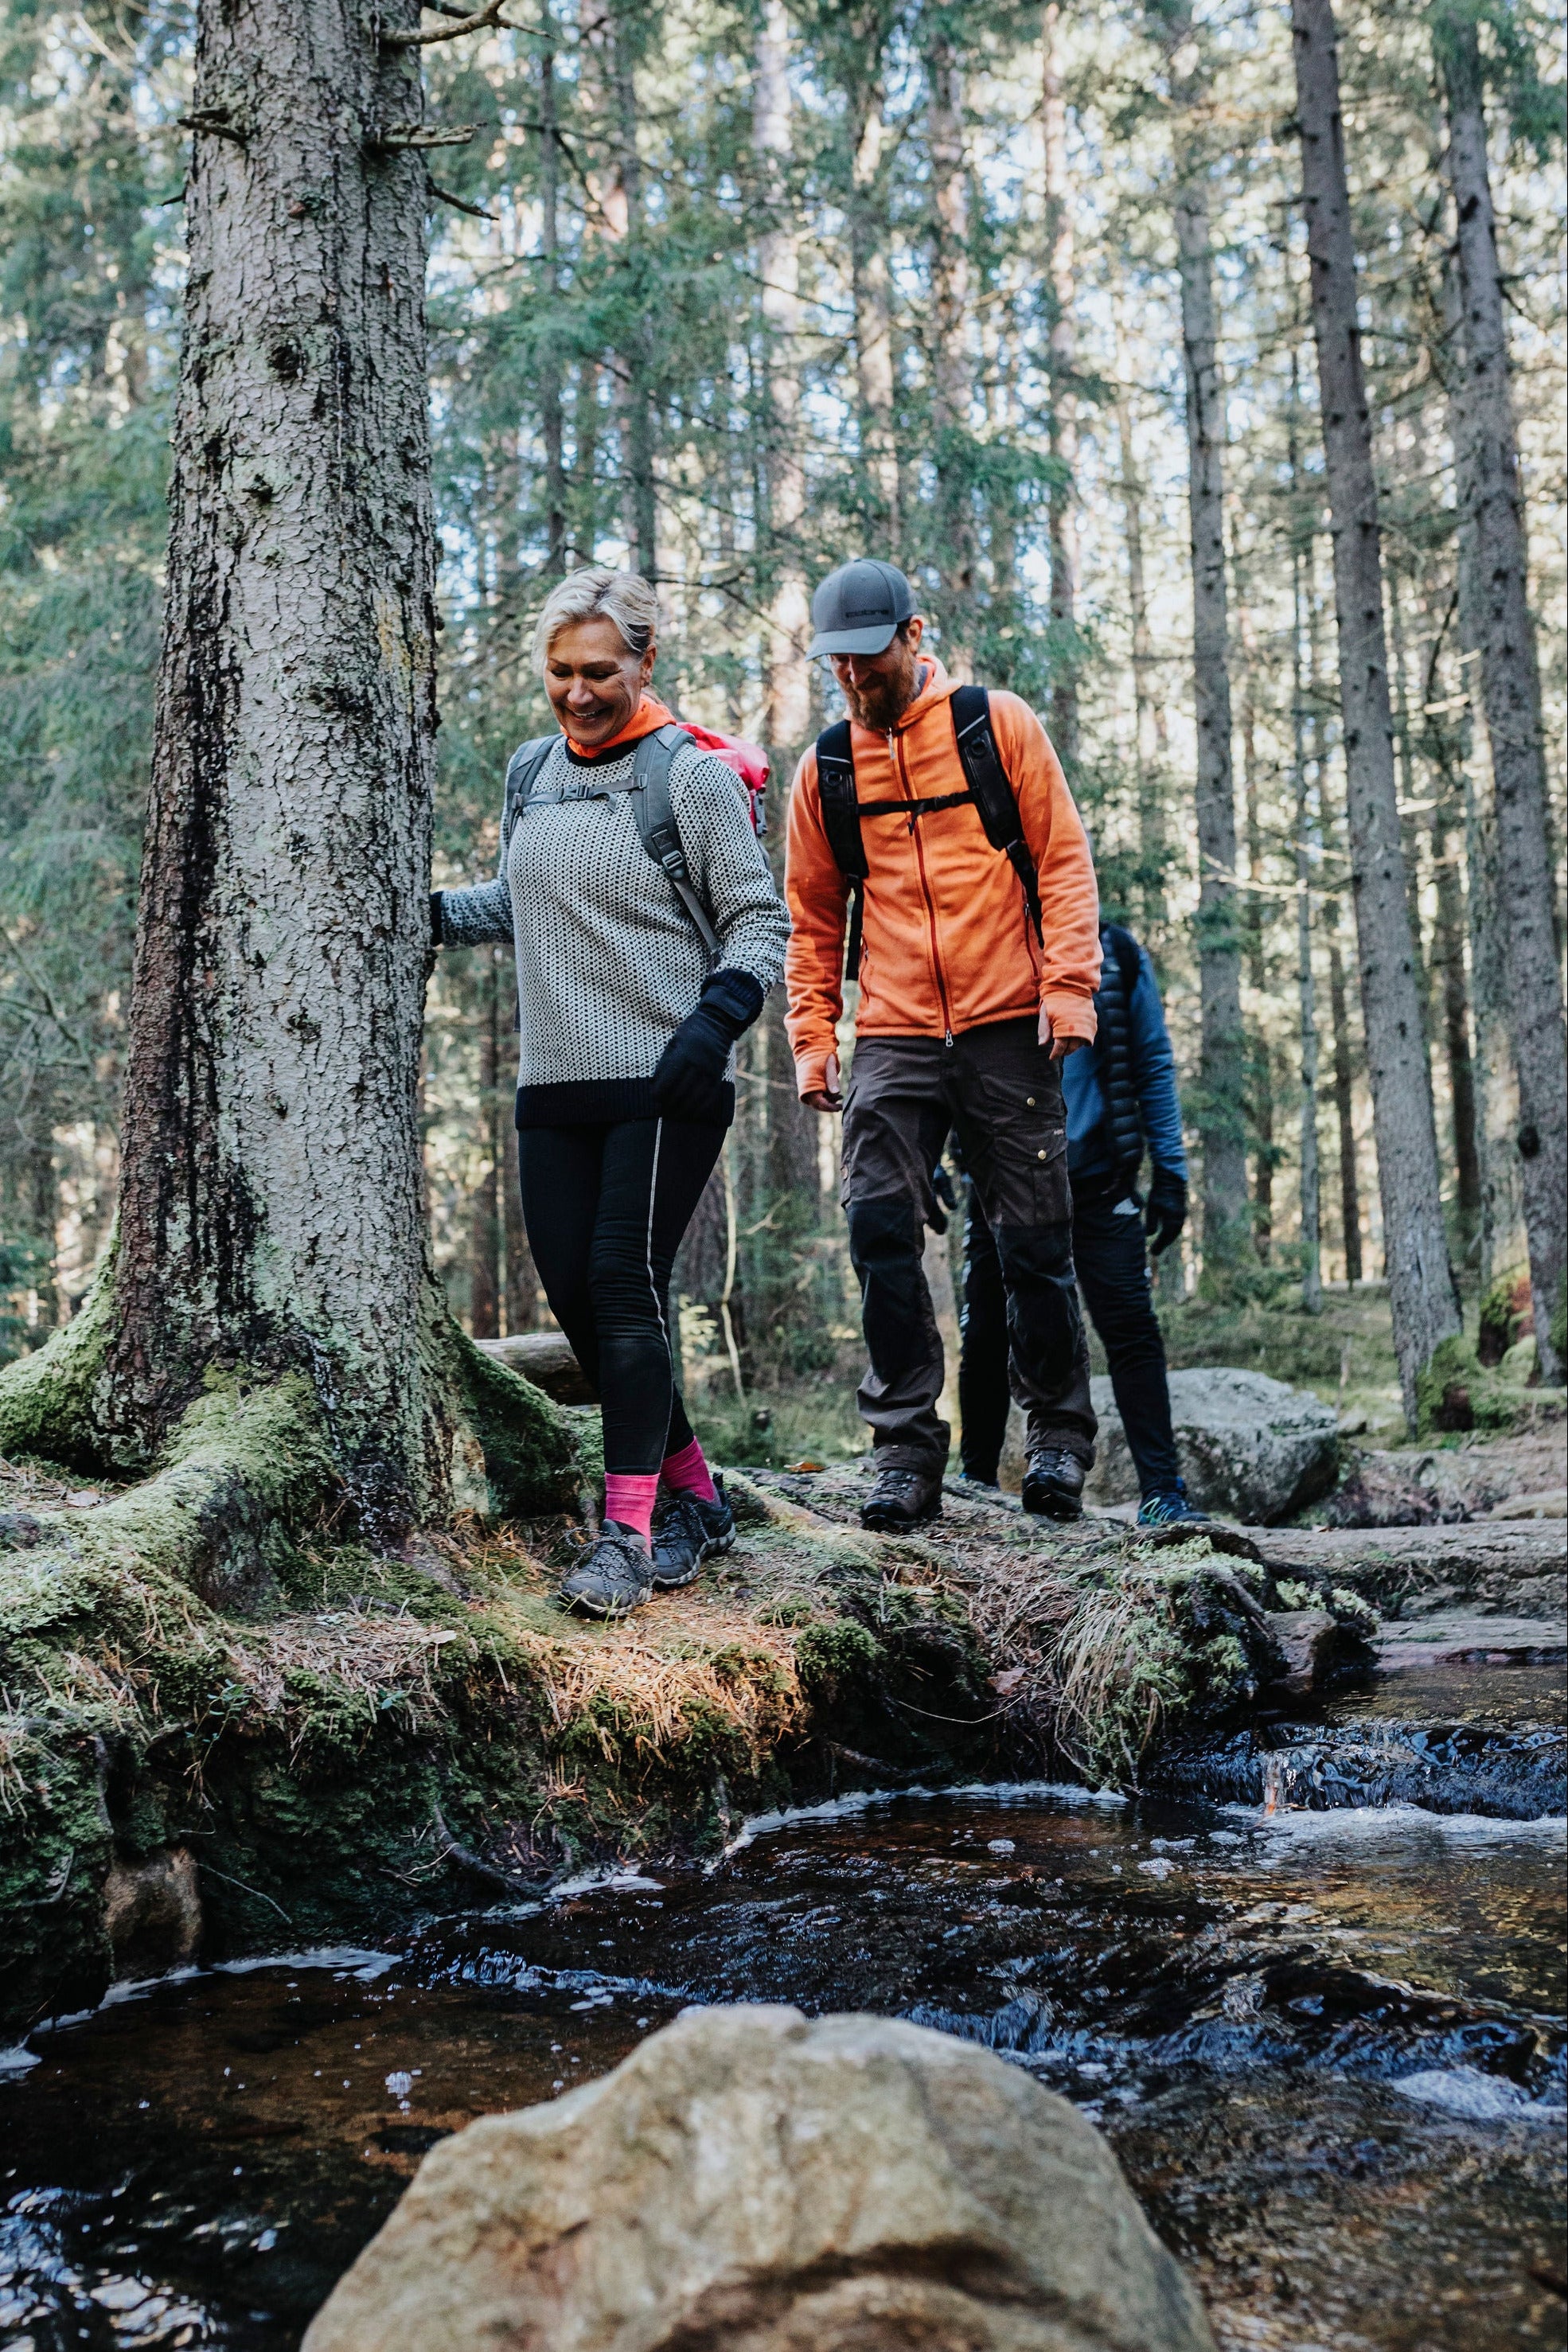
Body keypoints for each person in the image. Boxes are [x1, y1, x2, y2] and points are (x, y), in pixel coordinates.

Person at [433, 568, 790, 1617]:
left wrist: (711, 1027)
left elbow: (757, 918)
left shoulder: (689, 777)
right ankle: (696, 1497)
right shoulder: (532, 770)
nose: (579, 692)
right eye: (561, 671)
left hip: (665, 1074)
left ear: (644, 662)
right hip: (555, 1075)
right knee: (579, 1306)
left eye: (599, 670)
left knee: (622, 1284)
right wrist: (424, 913)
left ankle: (627, 1534)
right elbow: (523, 900)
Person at [785, 558, 1102, 1531]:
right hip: (893, 1028)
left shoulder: (993, 727)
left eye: (866, 657)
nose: (851, 677)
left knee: (1032, 1241)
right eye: (836, 662)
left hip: (1008, 1019)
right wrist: (811, 1035)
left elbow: (1062, 860)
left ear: (912, 636)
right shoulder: (826, 770)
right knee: (877, 1222)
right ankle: (904, 1452)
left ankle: (1056, 1439)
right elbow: (811, 915)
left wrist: (1068, 990)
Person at [954, 916, 1208, 1527]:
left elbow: (1152, 1062)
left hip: (1098, 1177)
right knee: (987, 1327)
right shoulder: (981, 938)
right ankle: (975, 1483)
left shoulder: (1116, 954)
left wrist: (1171, 1171)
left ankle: (1162, 1491)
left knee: (1131, 1328)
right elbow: (943, 1056)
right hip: (1001, 1178)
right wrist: (934, 1156)